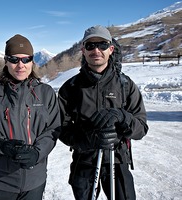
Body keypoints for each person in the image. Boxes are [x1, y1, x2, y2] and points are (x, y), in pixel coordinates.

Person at [58, 25, 149, 200]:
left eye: (102, 45)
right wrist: (85, 139)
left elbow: (141, 128)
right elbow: (60, 127)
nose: (96, 50)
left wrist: (123, 117)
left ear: (111, 49)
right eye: (90, 46)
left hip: (117, 159)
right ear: (83, 50)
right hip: (84, 160)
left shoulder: (125, 85)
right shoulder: (71, 87)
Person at [0, 34, 60, 200]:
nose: (20, 65)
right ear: (6, 61)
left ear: (32, 61)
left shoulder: (45, 93)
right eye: (14, 59)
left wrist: (37, 153)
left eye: (26, 59)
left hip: (34, 182)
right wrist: (1, 145)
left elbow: (53, 129)